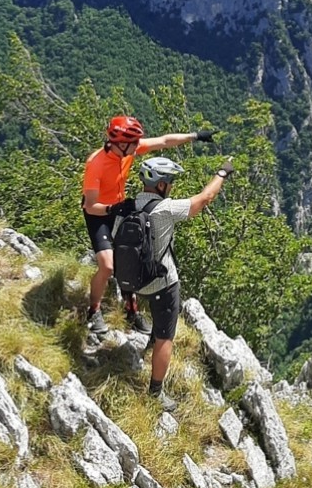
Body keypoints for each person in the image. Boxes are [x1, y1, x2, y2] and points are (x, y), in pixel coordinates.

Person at [114, 154, 234, 410]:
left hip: (133, 282)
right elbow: (205, 199)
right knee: (166, 336)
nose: (172, 186)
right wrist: (222, 174)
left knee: (156, 321)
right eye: (170, 182)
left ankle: (147, 337)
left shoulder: (126, 207)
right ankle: (156, 392)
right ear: (160, 185)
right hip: (162, 283)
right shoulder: (166, 209)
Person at [81, 115, 215, 337]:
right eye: (132, 143)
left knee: (131, 255)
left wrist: (195, 136)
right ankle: (93, 311)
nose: (136, 147)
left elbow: (163, 141)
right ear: (120, 143)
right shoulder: (95, 164)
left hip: (119, 208)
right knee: (108, 266)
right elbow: (90, 205)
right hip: (100, 214)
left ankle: (131, 310)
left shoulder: (128, 150)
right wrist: (112, 210)